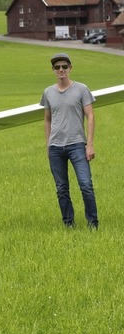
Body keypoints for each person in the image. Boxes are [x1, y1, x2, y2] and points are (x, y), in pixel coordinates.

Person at [40, 53, 98, 229]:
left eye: (64, 66)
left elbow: (90, 116)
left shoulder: (81, 89)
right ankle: (68, 223)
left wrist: (90, 144)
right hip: (56, 147)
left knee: (86, 184)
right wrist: (48, 144)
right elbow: (47, 119)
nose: (61, 70)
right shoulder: (48, 92)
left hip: (77, 145)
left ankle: (93, 223)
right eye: (57, 67)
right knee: (61, 188)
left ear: (70, 68)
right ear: (53, 70)